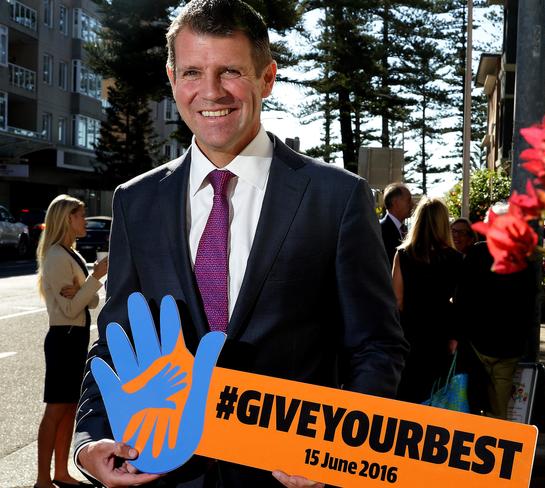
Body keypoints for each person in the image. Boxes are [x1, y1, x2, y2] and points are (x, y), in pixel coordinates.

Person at [73, 1, 408, 487]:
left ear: (267, 78)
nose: (210, 92)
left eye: (230, 71)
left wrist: (338, 453)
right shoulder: (135, 202)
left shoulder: (336, 197)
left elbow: (376, 344)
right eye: (192, 71)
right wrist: (89, 440)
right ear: (172, 78)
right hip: (160, 473)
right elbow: (117, 340)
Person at [35, 195, 108, 488]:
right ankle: (43, 479)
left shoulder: (69, 252)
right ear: (67, 218)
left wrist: (83, 288)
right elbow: (71, 308)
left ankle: (61, 473)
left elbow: (88, 301)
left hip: (74, 337)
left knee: (69, 408)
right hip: (63, 338)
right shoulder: (55, 255)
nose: (85, 221)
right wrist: (94, 278)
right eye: (80, 215)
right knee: (55, 409)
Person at [391, 198, 463, 403]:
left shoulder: (403, 254)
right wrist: (454, 337)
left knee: (406, 394)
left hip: (409, 335)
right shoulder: (455, 259)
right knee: (435, 396)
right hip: (440, 336)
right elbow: (460, 303)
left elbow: (397, 300)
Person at [455, 240, 536, 419]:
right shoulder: (522, 256)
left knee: (472, 400)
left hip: (477, 342)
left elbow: (462, 294)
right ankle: (496, 437)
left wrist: (461, 332)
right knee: (500, 405)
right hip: (509, 345)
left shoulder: (478, 252)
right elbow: (529, 303)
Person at [379, 182, 413, 263]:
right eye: (409, 200)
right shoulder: (381, 230)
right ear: (396, 203)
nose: (412, 204)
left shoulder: (404, 229)